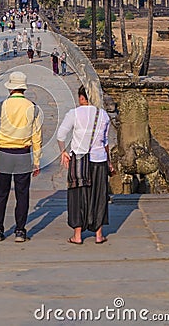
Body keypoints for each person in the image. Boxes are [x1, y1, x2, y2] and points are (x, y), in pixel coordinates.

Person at [0, 72, 42, 242]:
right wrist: (37, 159)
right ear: (23, 88)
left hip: (4, 152)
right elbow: (36, 135)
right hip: (23, 154)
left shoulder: (0, 107)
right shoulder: (32, 107)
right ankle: (20, 230)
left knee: (1, 193)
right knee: (22, 193)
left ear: (10, 88)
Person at [57, 85, 113, 245]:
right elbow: (106, 142)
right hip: (99, 160)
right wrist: (109, 162)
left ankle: (77, 235)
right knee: (99, 195)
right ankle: (98, 234)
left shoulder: (74, 113)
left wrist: (64, 152)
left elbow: (61, 135)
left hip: (80, 161)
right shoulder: (103, 115)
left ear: (82, 97)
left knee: (78, 195)